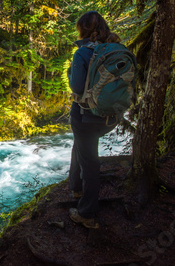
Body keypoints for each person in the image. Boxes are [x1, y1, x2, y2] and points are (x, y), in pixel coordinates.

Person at [67, 11, 120, 229]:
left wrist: (71, 72)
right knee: (81, 146)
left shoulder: (83, 53)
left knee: (89, 161)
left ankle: (87, 213)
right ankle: (76, 186)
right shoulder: (117, 50)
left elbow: (77, 87)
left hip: (85, 116)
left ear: (83, 30)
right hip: (111, 115)